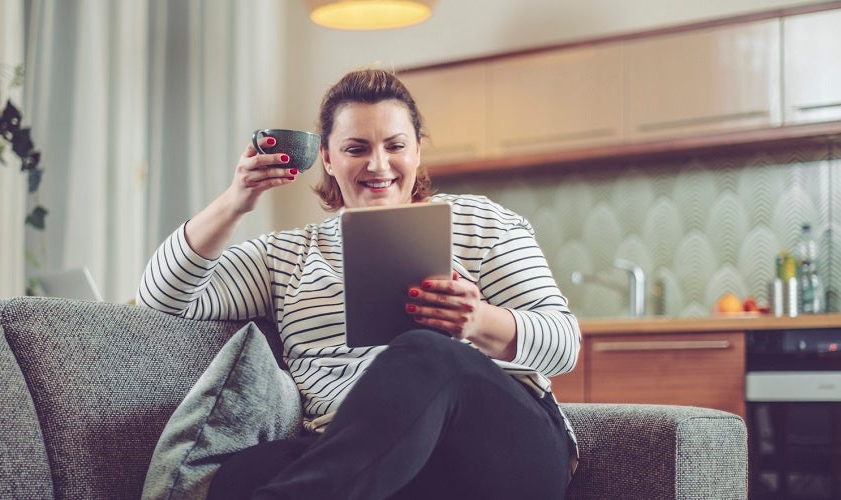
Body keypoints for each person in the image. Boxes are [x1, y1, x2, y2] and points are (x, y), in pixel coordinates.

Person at [137, 68, 581, 499]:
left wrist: (479, 321)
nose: (378, 164)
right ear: (327, 159)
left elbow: (563, 345)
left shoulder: (481, 221)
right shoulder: (285, 256)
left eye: (395, 146)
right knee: (243, 473)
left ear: (418, 152)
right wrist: (234, 201)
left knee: (425, 351)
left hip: (497, 448)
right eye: (356, 148)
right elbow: (160, 297)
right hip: (362, 463)